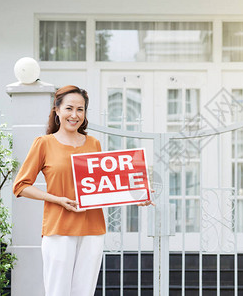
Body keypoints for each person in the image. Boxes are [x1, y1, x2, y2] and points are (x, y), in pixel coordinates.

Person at [12, 85, 152, 296]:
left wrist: (136, 195)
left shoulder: (93, 143)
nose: (74, 115)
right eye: (69, 108)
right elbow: (20, 186)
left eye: (80, 109)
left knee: (84, 292)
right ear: (57, 110)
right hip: (59, 229)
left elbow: (104, 185)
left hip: (92, 229)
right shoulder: (44, 143)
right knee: (58, 291)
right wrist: (57, 199)